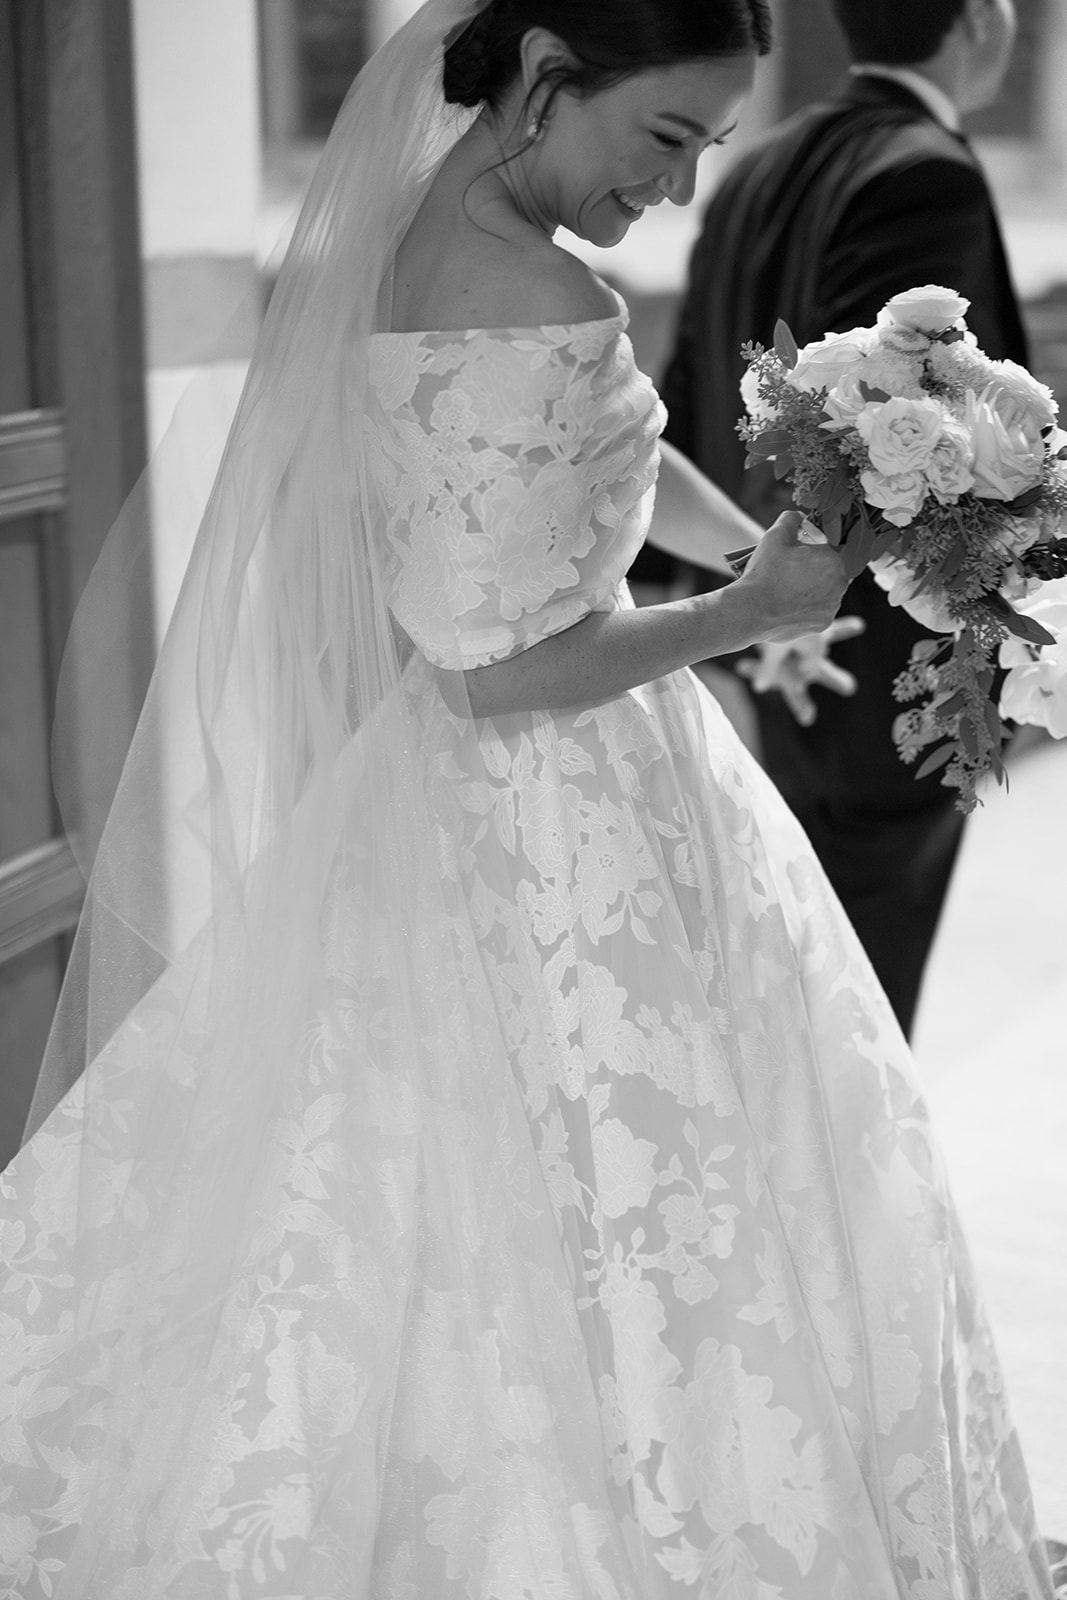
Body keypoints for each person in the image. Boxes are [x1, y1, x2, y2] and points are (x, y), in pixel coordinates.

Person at [0, 2, 1052, 1596]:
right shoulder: (531, 289)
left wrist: (733, 558)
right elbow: (485, 669)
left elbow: (605, 466)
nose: (684, 189)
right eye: (662, 139)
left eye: (705, 147)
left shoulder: (443, 237)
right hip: (554, 810)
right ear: (554, 69)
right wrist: (736, 620)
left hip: (479, 792)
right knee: (619, 1214)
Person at [656, 0, 1029, 1039]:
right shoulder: (924, 169)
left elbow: (690, 386)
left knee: (781, 944)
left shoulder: (753, 162)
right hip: (875, 655)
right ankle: (842, 1195)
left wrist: (725, 591)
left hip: (760, 619)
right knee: (858, 979)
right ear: (979, 23)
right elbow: (895, 425)